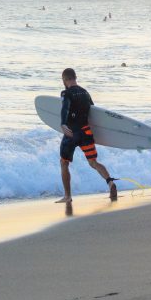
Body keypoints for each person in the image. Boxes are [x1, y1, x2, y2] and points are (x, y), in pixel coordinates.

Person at [56, 68, 117, 204]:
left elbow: (65, 108)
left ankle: (67, 196)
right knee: (93, 162)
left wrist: (63, 124)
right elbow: (94, 112)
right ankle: (110, 183)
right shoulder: (85, 92)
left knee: (64, 162)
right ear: (75, 77)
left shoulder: (66, 93)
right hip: (86, 132)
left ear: (64, 80)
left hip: (72, 133)